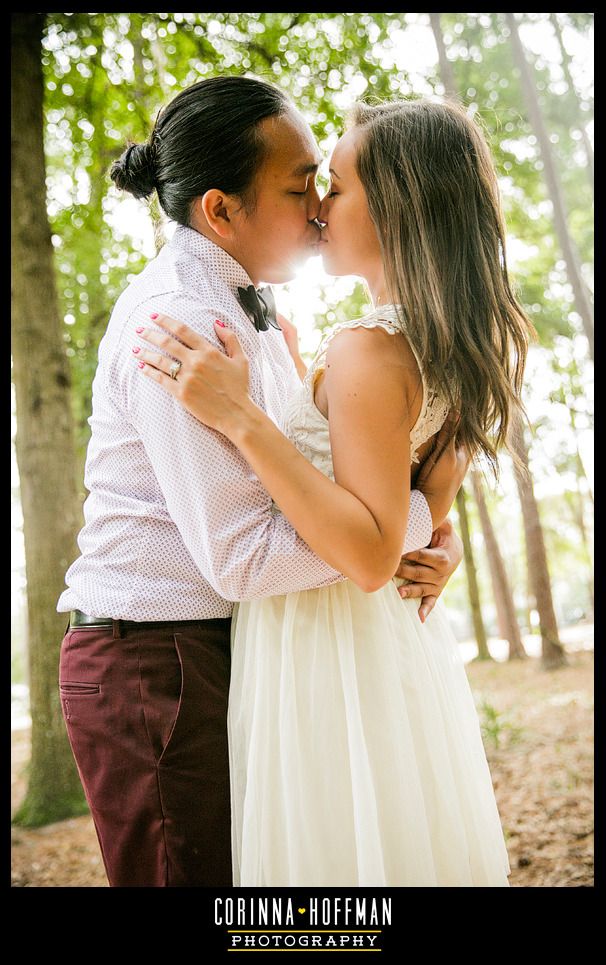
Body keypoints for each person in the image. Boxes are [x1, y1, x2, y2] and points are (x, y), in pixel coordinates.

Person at [56, 76, 464, 888]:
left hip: (221, 650)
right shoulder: (179, 325)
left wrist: (430, 535)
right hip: (153, 663)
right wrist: (409, 523)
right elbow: (243, 556)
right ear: (220, 210)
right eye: (298, 183)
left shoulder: (260, 316)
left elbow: (316, 483)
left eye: (323, 178)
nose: (320, 203)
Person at [133, 95, 536, 887]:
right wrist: (433, 528)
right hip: (382, 643)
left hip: (325, 643)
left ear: (396, 209)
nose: (319, 205)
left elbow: (366, 549)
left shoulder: (368, 348)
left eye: (338, 186)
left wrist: (247, 419)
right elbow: (403, 500)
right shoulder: (438, 338)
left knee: (333, 870)